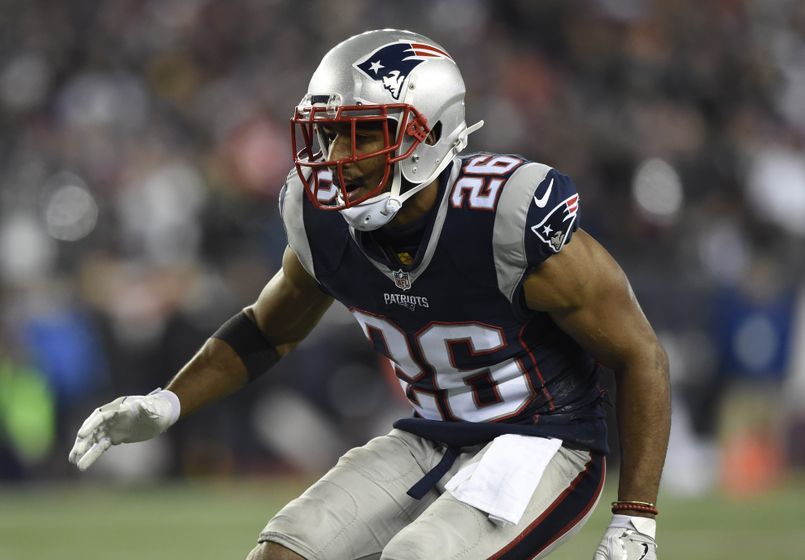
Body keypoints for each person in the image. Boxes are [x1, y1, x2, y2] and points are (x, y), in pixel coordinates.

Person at [69, 29, 670, 560]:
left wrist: (636, 517)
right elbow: (268, 328)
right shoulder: (321, 219)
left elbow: (640, 354)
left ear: (428, 136)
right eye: (328, 136)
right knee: (283, 551)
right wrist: (167, 403)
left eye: (360, 137)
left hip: (542, 440)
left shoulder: (505, 217)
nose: (335, 159)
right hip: (432, 432)